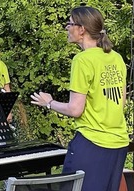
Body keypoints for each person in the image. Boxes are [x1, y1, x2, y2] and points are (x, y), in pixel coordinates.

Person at [30, 6, 128, 191]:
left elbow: (76, 109)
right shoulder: (116, 58)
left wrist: (49, 103)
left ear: (81, 29)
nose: (67, 28)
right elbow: (120, 102)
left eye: (69, 23)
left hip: (92, 143)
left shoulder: (82, 60)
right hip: (118, 144)